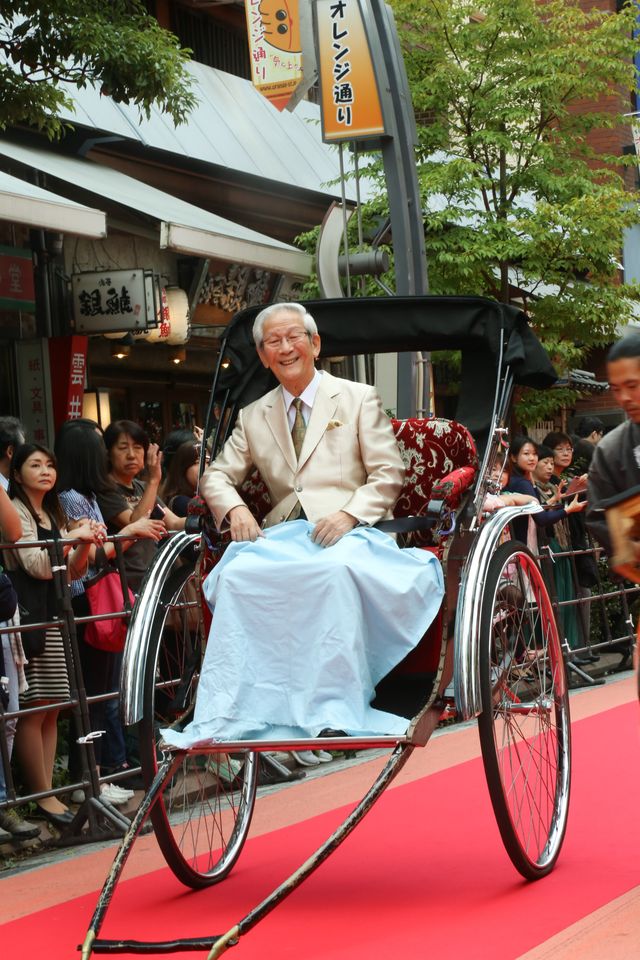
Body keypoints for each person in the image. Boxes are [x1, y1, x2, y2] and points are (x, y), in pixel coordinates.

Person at [162, 301, 444, 749]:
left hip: (353, 532)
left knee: (333, 572)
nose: (285, 347)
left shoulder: (356, 397)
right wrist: (235, 509)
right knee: (234, 575)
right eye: (273, 341)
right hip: (285, 536)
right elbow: (216, 474)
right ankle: (239, 705)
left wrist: (350, 514)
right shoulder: (254, 414)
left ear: (315, 344)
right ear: (262, 355)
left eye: (294, 337)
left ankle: (334, 703)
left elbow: (388, 472)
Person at [55, 423, 166, 805]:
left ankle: (98, 774)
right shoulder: (71, 498)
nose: (109, 456)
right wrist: (130, 533)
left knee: (104, 694)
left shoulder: (84, 495)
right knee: (94, 696)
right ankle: (88, 778)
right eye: (103, 448)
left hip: (96, 596)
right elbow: (88, 560)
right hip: (86, 597)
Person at [5, 444, 100, 829]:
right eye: (34, 464)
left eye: (50, 465)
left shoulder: (52, 511)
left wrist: (83, 544)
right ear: (16, 472)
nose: (45, 471)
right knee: (35, 705)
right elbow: (37, 564)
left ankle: (51, 795)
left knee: (54, 705)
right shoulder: (17, 512)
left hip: (53, 614)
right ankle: (42, 796)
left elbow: (71, 572)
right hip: (29, 617)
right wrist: (72, 538)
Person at [587, 334, 640, 556]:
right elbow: (598, 516)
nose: (624, 398)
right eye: (616, 389)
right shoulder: (610, 449)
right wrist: (630, 547)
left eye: (632, 385)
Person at [159, 440, 200, 517]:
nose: (204, 467)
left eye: (207, 462)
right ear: (183, 467)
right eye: (197, 462)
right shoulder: (180, 502)